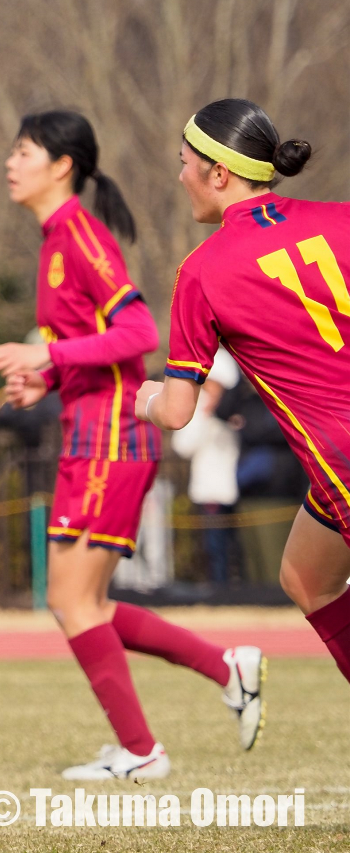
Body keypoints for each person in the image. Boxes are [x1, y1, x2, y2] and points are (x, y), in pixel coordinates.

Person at [0, 110, 265, 782]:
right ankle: (226, 668)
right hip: (91, 432)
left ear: (61, 166)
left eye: (22, 152)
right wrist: (43, 374)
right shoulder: (55, 239)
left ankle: (142, 751)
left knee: (74, 603)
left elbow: (138, 334)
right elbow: (90, 344)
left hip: (110, 437)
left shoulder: (78, 234)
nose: (9, 164)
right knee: (89, 605)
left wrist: (40, 353)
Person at [137, 98, 350, 686]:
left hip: (343, 462)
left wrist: (144, 399)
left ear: (220, 173)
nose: (180, 176)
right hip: (335, 474)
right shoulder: (342, 218)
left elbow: (178, 412)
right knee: (307, 576)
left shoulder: (202, 271)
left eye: (184, 162)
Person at [169, 348, 242, 583]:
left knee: (236, 544)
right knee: (214, 545)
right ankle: (218, 589)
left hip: (239, 486)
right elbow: (183, 446)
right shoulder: (197, 409)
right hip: (210, 490)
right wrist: (205, 416)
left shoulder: (235, 408)